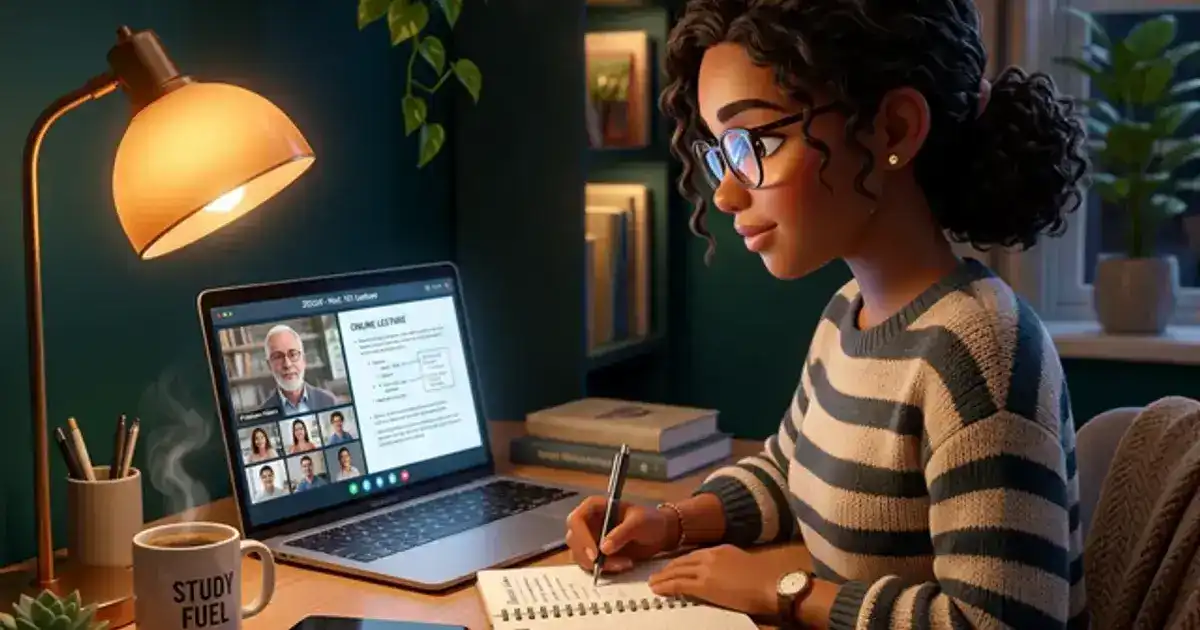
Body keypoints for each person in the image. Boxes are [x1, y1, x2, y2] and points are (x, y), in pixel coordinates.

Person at [564, 2, 1089, 629]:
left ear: (893, 131)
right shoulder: (849, 314)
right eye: (720, 152)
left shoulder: (981, 353)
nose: (727, 194)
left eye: (756, 142)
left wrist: (787, 590)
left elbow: (999, 624)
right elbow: (790, 471)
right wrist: (671, 522)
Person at [256, 324, 337, 415]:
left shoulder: (328, 401)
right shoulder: (262, 414)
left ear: (304, 360)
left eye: (293, 354)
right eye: (278, 357)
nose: (287, 364)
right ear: (269, 366)